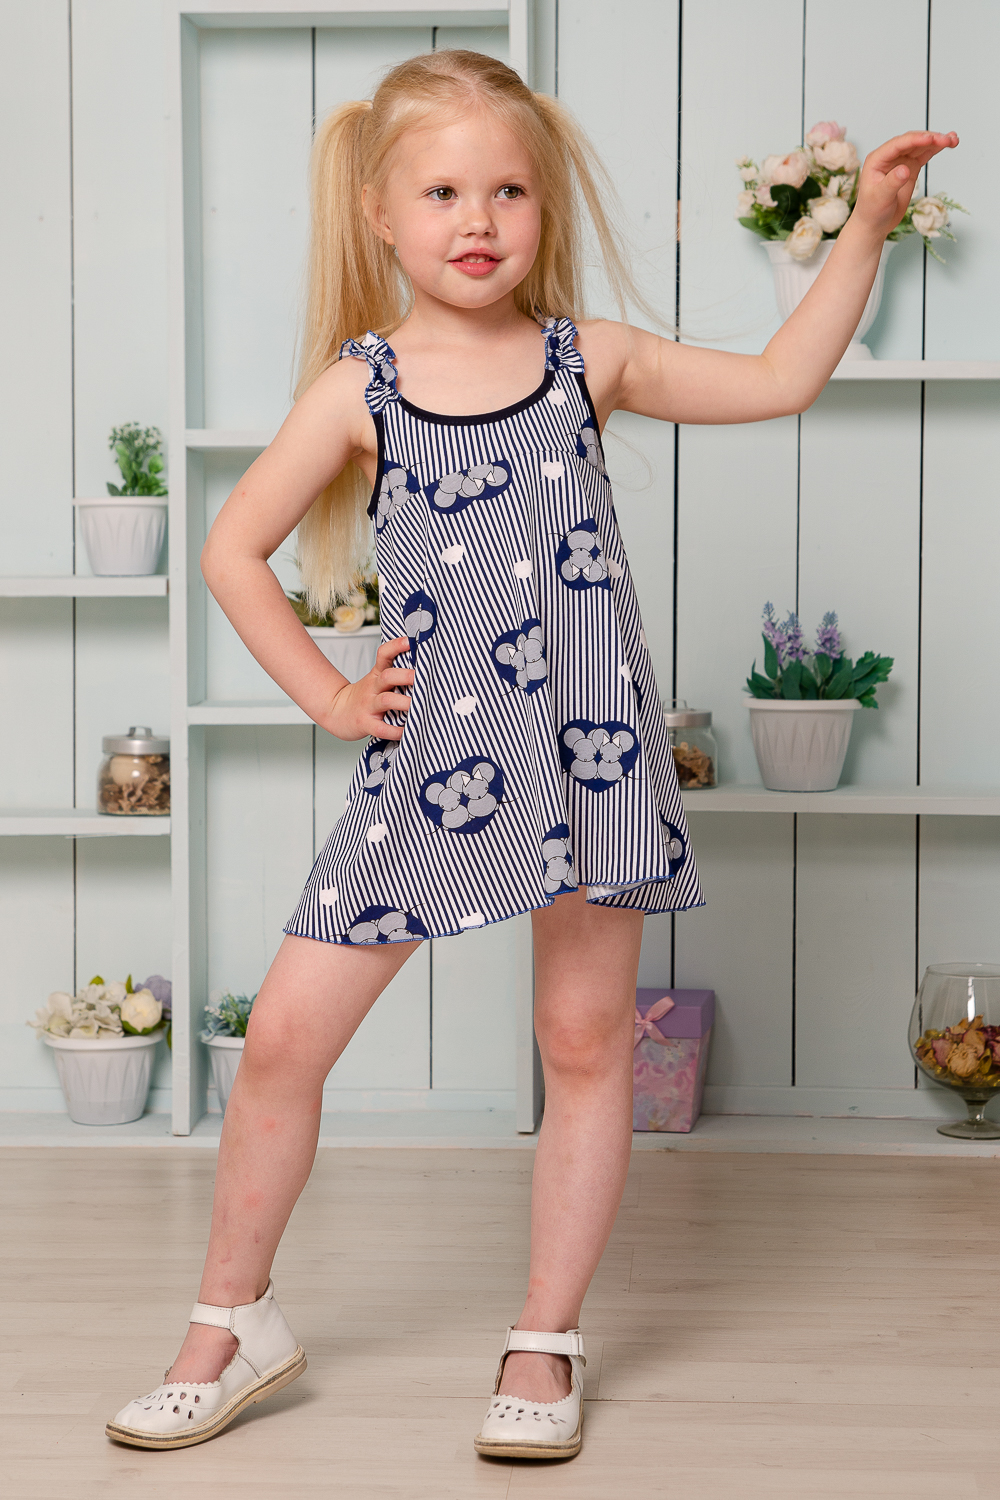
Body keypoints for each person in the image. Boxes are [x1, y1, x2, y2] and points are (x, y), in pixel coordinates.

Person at [106, 48, 957, 1460]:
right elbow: (231, 549)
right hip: (433, 762)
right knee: (285, 1043)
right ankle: (230, 1322)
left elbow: (781, 380)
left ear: (543, 207)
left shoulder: (589, 360)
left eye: (508, 190)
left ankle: (544, 1339)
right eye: (442, 192)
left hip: (591, 756)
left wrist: (864, 225)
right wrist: (330, 697)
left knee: (583, 1044)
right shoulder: (361, 387)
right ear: (381, 215)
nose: (478, 219)